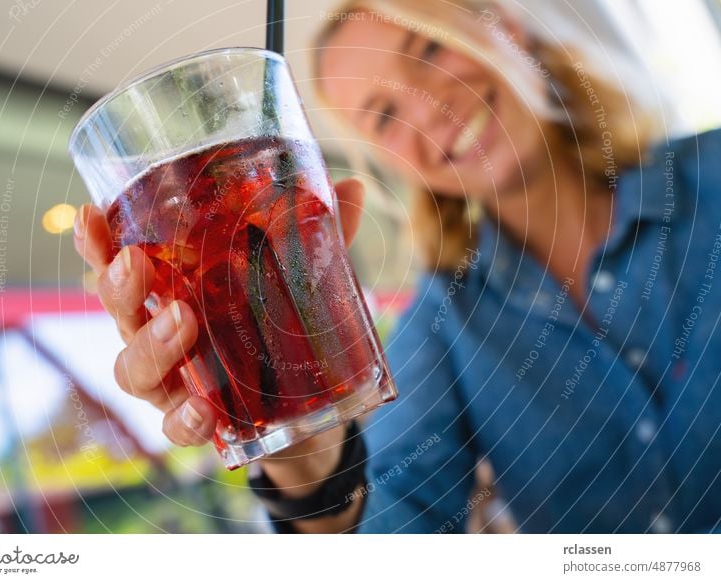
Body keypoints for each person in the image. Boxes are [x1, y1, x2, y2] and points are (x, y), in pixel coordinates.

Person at [73, 0, 721, 533]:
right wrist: (305, 453)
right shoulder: (442, 328)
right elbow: (384, 530)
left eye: (430, 51)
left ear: (504, 28)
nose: (430, 107)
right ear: (390, 161)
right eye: (385, 115)